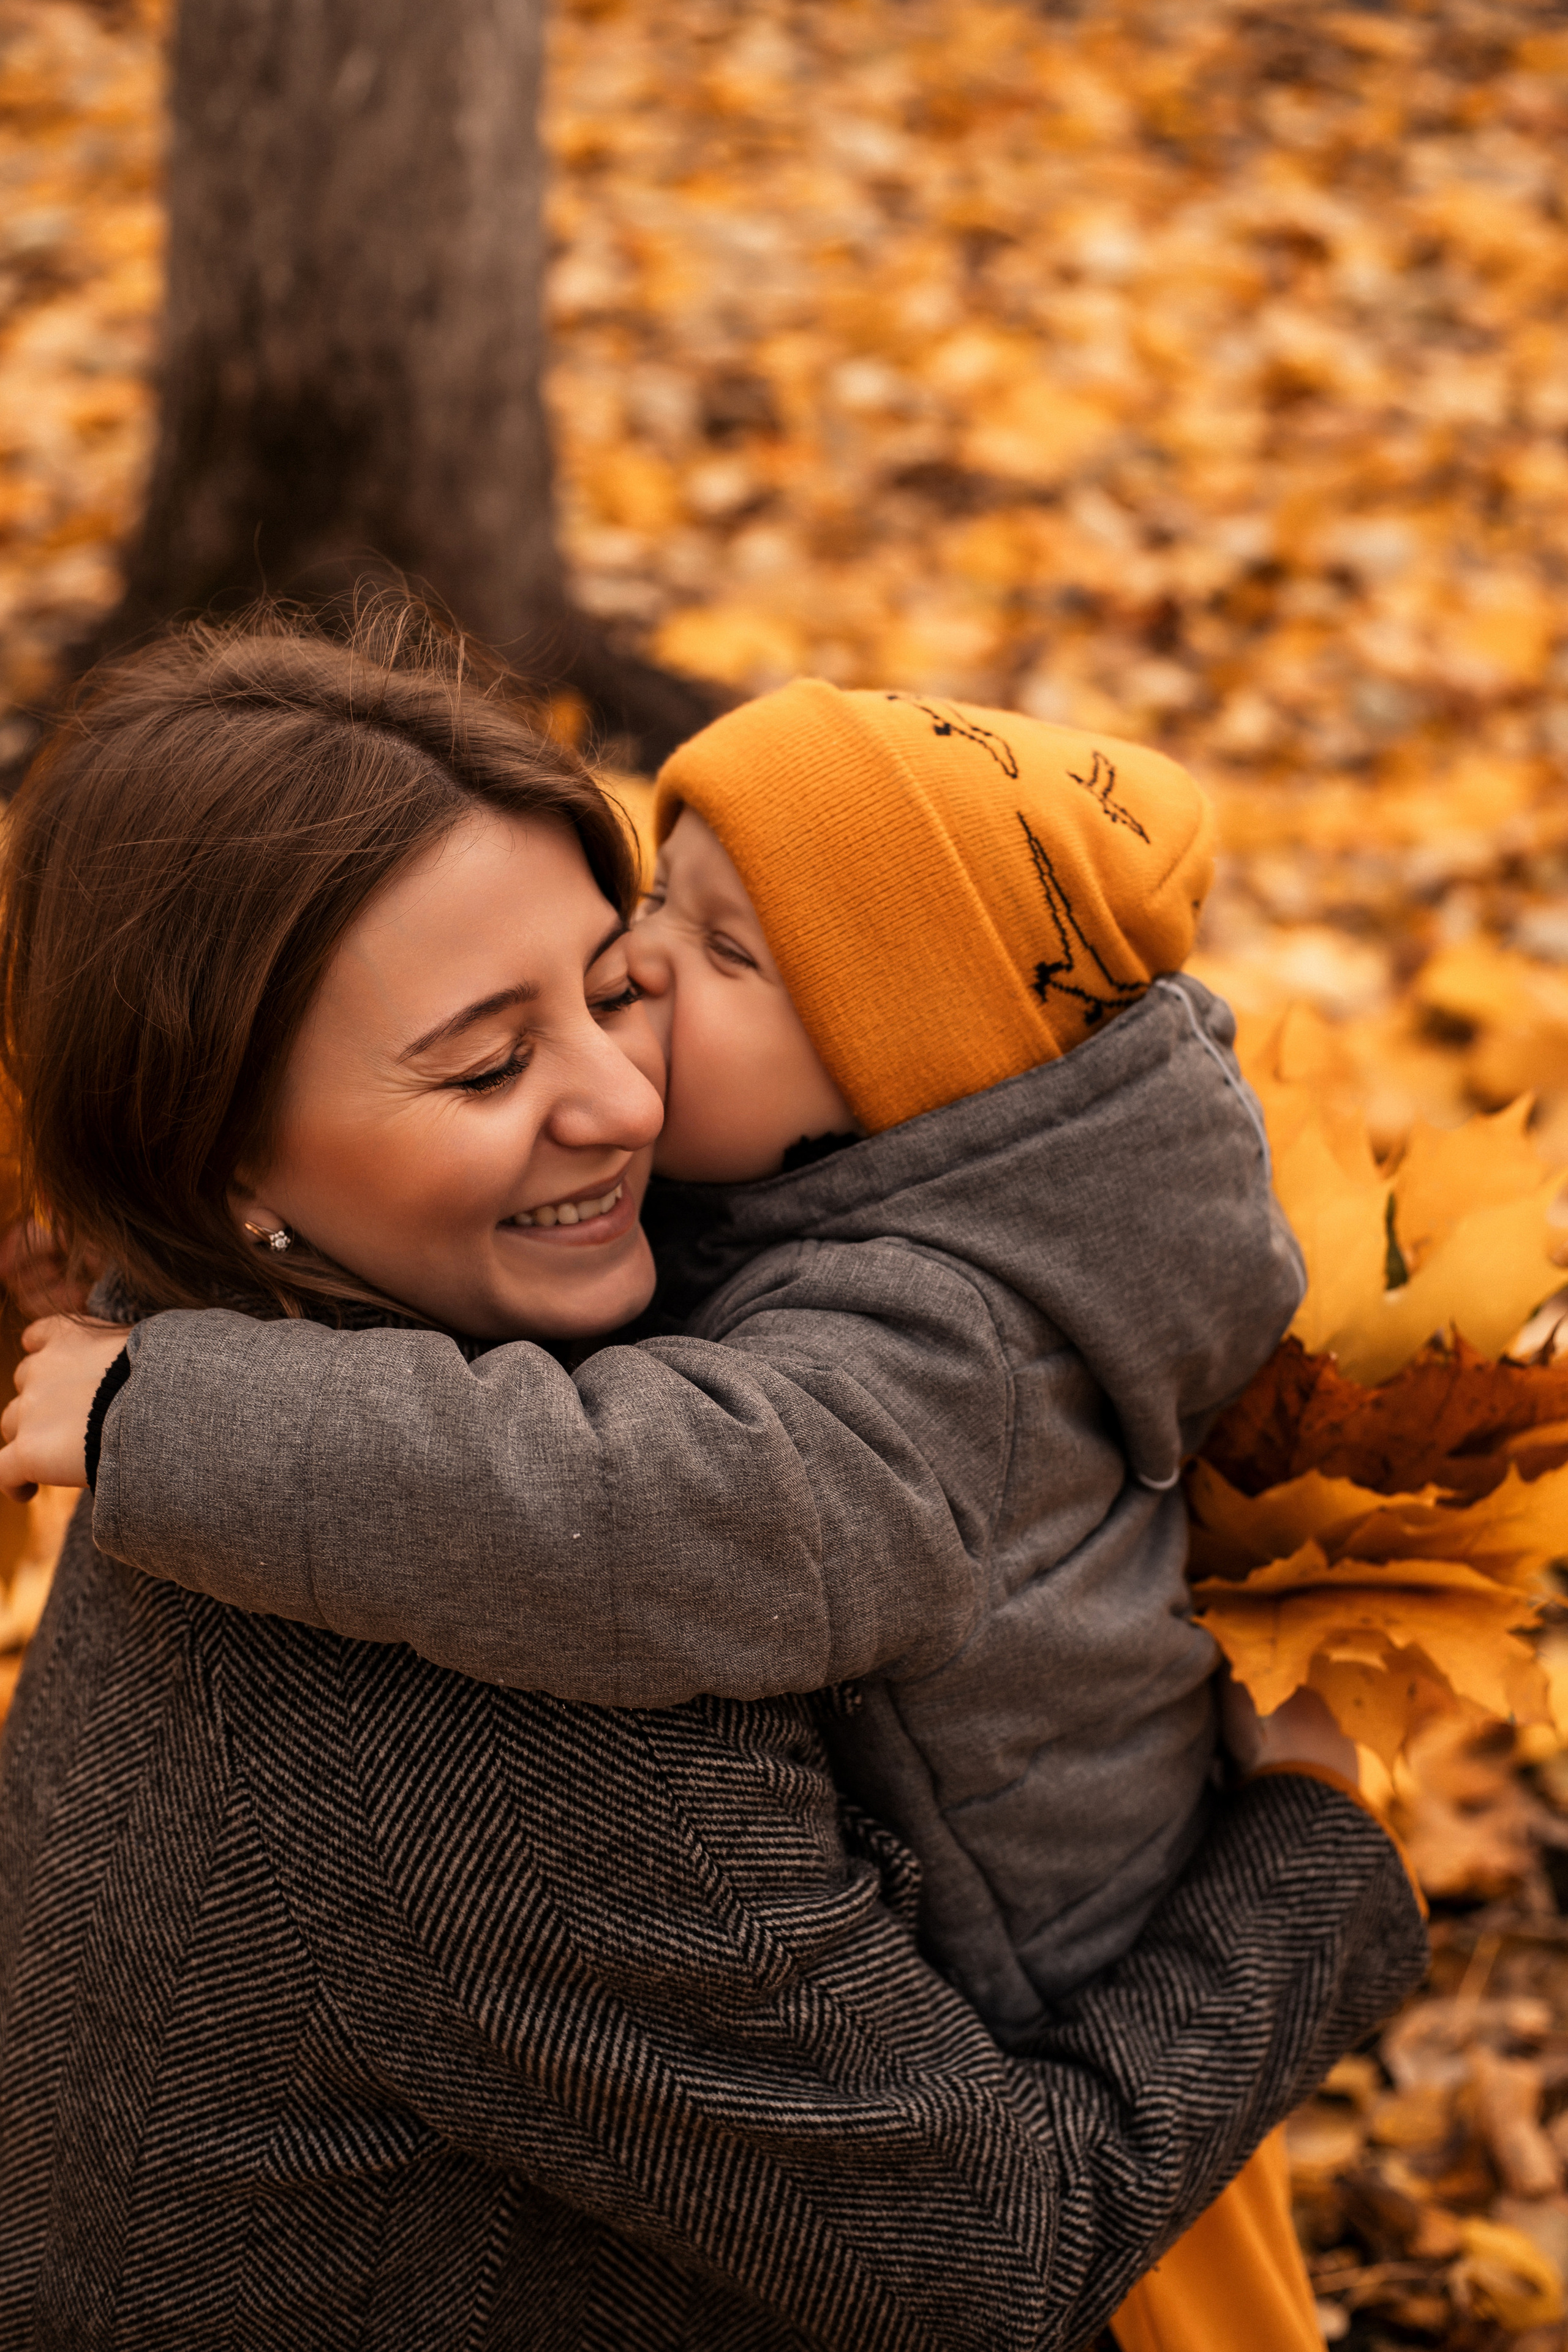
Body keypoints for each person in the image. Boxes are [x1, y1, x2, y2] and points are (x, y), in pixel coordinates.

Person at [0, 608, 1427, 2347]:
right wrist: (1319, 1844)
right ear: (225, 1159)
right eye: (487, 1063)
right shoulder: (498, 1679)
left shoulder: (220, 1339)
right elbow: (996, 2254)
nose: (623, 1096)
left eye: (610, 986)